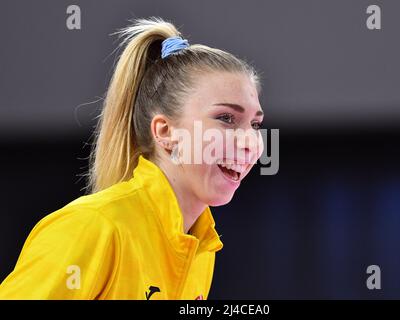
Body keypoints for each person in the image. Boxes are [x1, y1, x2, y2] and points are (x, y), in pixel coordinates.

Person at [0, 16, 264, 299]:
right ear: (165, 132)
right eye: (226, 118)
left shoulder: (202, 248)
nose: (250, 142)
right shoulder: (93, 227)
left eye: (256, 125)